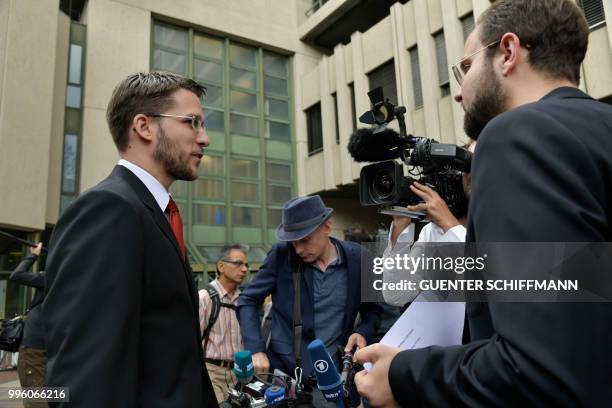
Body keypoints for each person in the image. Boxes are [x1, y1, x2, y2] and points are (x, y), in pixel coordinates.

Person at [354, 0, 612, 406]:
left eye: (465, 68)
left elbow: (539, 370)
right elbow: (578, 296)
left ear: (507, 52)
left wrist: (403, 376)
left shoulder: (517, 134)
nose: (458, 92)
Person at [43, 72, 218, 407]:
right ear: (144, 126)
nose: (204, 138)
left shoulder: (153, 212)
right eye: (192, 122)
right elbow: (86, 377)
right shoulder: (109, 209)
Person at [237, 195, 382, 406]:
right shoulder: (281, 256)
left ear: (327, 227)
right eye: (293, 242)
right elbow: (248, 300)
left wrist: (362, 332)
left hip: (336, 383)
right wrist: (256, 349)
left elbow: (374, 311)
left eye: (304, 240)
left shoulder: (360, 257)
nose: (298, 249)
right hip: (286, 381)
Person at [382, 141, 476, 307]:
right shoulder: (433, 232)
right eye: (468, 167)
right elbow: (397, 294)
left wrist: (449, 224)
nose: (473, 171)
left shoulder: (504, 221)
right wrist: (400, 228)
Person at [199, 244, 248, 402]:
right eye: (238, 263)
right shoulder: (205, 298)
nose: (244, 269)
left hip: (239, 374)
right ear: (221, 266)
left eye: (246, 265)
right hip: (211, 372)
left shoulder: (245, 300)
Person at [9, 243, 47, 408]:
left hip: (34, 346)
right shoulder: (82, 280)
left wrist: (33, 255)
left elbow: (17, 275)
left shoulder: (51, 277)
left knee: (35, 397)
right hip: (56, 345)